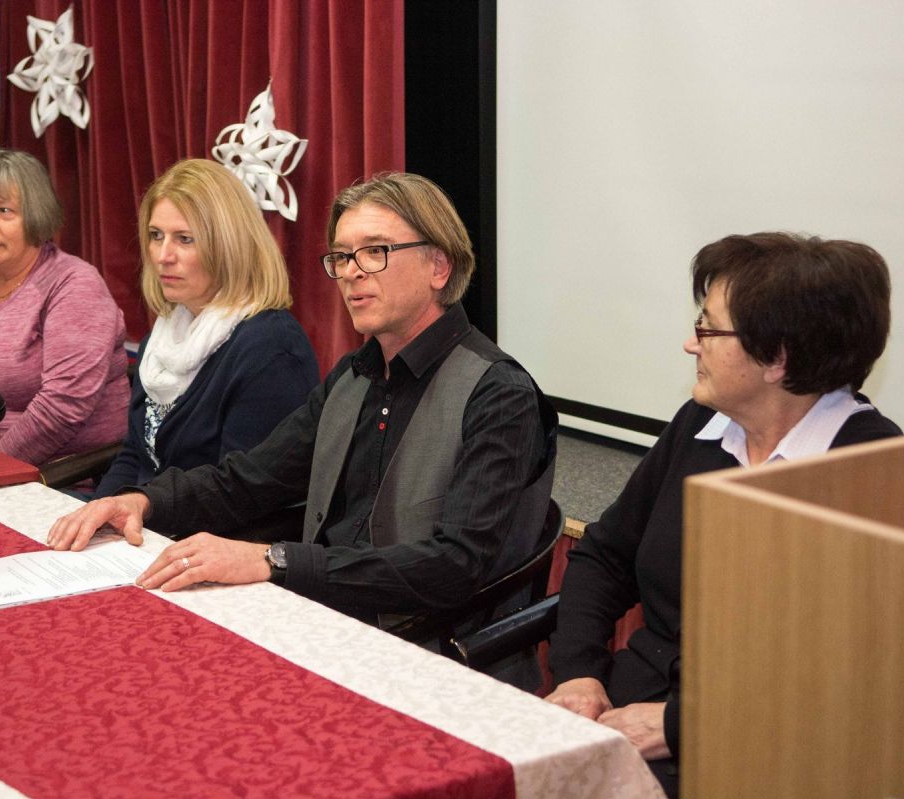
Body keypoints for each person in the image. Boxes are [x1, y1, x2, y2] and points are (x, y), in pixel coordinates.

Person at [48, 173, 555, 670]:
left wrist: (273, 560)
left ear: (438, 266)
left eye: (375, 251)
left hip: (427, 654)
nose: (352, 272)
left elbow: (454, 565)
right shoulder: (354, 376)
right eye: (342, 257)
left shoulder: (498, 393)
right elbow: (249, 479)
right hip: (318, 620)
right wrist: (141, 501)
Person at [544, 232, 902, 798]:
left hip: (765, 751)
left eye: (708, 329)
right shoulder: (699, 425)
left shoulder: (871, 471)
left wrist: (678, 725)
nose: (691, 344)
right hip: (628, 709)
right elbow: (606, 557)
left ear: (777, 357)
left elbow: (853, 672)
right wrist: (579, 674)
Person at [92, 159, 318, 498]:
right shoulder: (163, 336)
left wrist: (141, 508)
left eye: (185, 239)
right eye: (156, 235)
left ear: (229, 246)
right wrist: (97, 511)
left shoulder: (271, 348)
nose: (163, 256)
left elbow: (242, 495)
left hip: (211, 527)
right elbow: (135, 457)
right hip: (149, 518)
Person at [0, 149, 129, 466]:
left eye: (3, 210)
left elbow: (62, 408)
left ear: (35, 214)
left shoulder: (73, 285)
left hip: (56, 475)